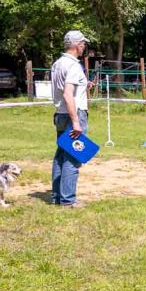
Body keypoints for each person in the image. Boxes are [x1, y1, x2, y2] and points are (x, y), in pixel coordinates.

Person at [51, 30, 91, 207]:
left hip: (60, 113)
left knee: (60, 155)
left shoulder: (57, 63)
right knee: (73, 157)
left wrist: (84, 85)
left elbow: (64, 90)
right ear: (76, 45)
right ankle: (68, 200)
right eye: (83, 44)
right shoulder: (74, 66)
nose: (84, 47)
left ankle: (57, 197)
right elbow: (68, 95)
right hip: (73, 114)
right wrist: (76, 122)